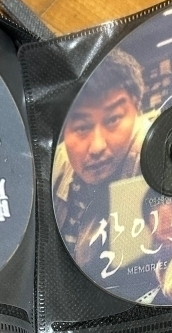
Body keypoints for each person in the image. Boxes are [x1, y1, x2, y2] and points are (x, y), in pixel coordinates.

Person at [52, 49, 150, 272]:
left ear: (138, 111)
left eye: (113, 119)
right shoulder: (57, 162)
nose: (97, 146)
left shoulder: (162, 160)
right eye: (82, 127)